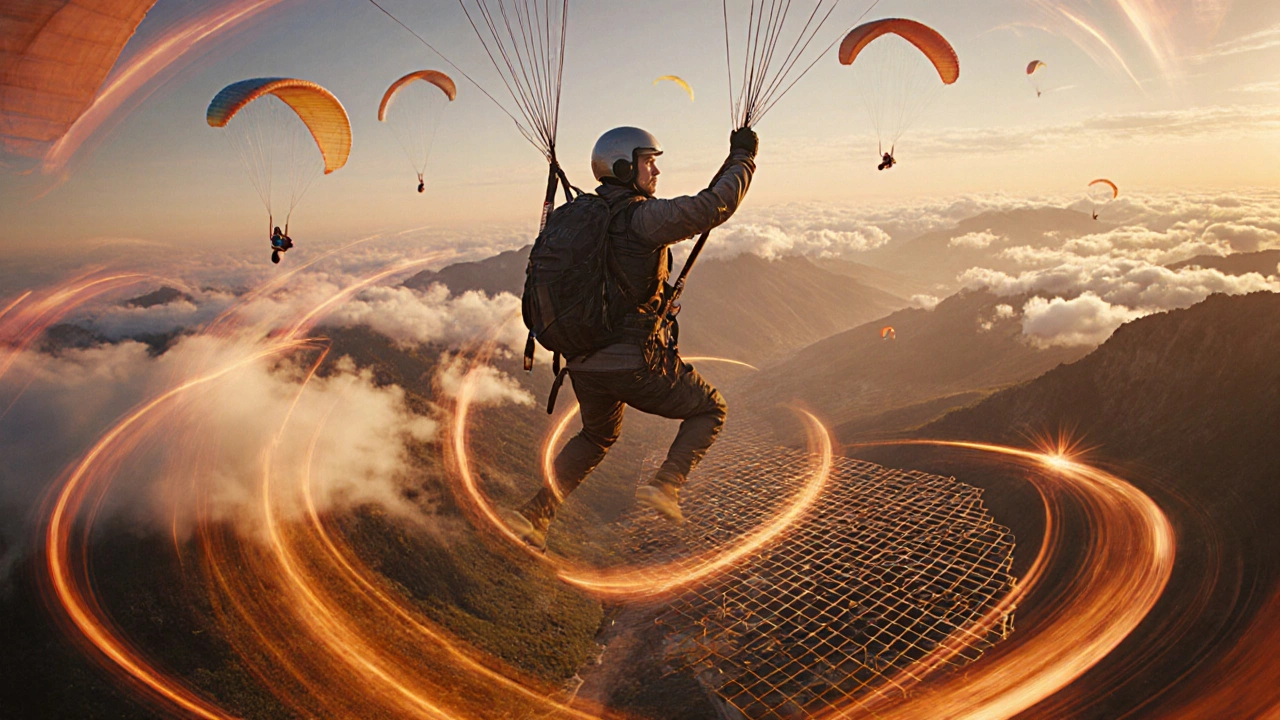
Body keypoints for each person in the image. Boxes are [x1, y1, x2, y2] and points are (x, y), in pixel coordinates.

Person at [508, 125, 758, 551]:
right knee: (710, 409)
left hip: (582, 361)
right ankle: (666, 485)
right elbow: (712, 206)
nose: (655, 170)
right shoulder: (641, 218)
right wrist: (743, 159)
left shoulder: (576, 216)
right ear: (624, 167)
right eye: (648, 161)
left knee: (596, 437)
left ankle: (535, 514)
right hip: (631, 362)